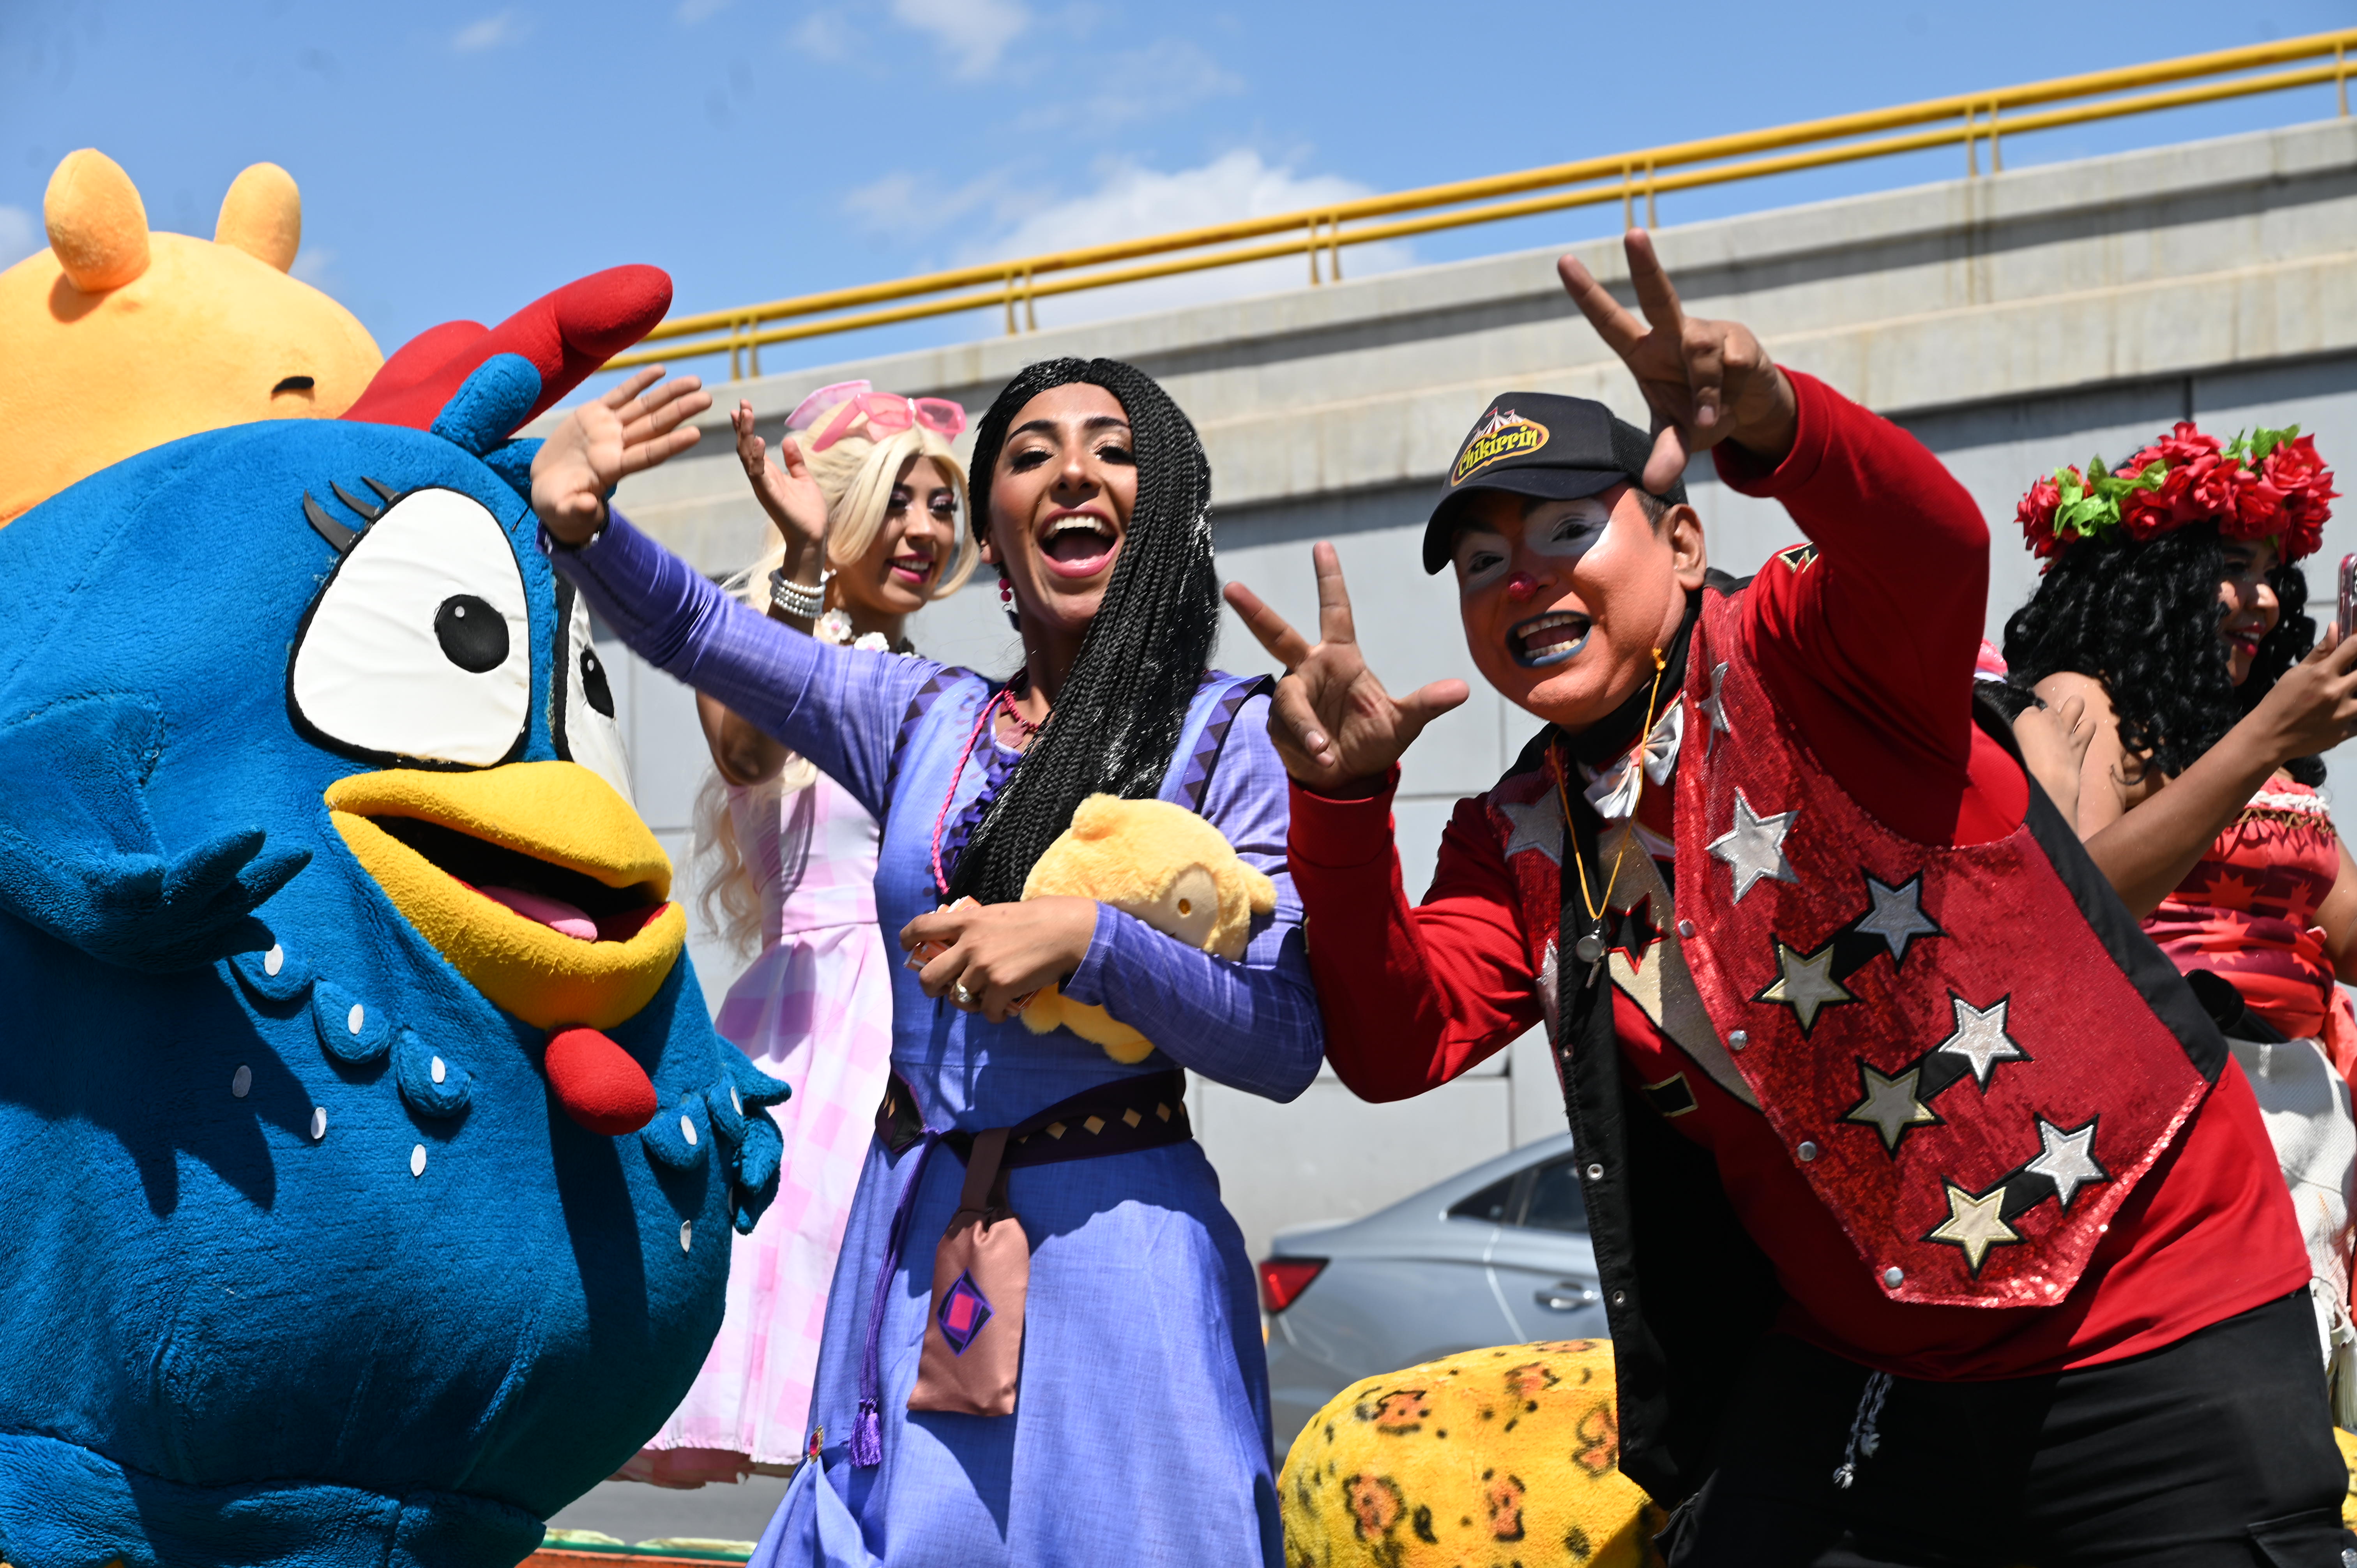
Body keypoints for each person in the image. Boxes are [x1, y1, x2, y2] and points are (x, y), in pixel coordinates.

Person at [1223, 229, 2355, 1564]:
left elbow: (1929, 544)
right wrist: (1342, 807)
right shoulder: (1515, 834)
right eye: (1480, 563)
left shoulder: (1797, 643)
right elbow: (1393, 1039)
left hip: (2150, 1302)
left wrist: (1776, 420)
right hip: (1868, 1365)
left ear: (1685, 539)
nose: (1521, 577)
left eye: (1567, 530)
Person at [530, 357, 1318, 1566]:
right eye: (1030, 451)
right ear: (995, 548)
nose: (1072, 471)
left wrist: (1091, 942)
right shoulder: (919, 714)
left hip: (1126, 1254)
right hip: (911, 1242)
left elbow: (1279, 1041)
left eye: (1114, 449)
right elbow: (698, 631)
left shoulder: (1234, 733)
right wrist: (585, 526)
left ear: (1166, 516)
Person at [622, 381, 979, 1487]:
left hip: (942, 1024)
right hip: (814, 1037)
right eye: (898, 501)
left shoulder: (957, 692)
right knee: (817, 1325)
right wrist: (798, 565)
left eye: (942, 507)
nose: (924, 529)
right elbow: (743, 751)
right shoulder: (773, 634)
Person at [1998, 429, 2357, 1421]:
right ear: (2148, 579)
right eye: (2231, 570)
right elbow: (2068, 909)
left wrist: (2267, 743)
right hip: (2165, 1121)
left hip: (2302, 1123)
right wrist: (2265, 739)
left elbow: (2346, 934)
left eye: (2276, 572)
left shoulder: (2255, 743)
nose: (2271, 599)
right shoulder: (2079, 705)